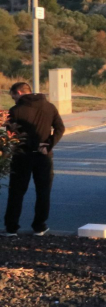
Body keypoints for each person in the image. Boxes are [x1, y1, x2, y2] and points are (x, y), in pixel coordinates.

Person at [3, 82, 65, 237]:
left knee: (16, 192)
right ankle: (40, 226)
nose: (14, 100)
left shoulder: (16, 110)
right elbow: (60, 128)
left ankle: (11, 228)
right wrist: (48, 144)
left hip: (22, 155)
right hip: (43, 156)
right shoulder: (49, 107)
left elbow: (11, 134)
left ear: (18, 93)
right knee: (43, 192)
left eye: (13, 97)